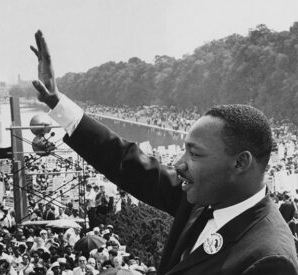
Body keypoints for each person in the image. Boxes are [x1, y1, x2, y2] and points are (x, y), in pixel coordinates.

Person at [29, 30, 298, 274]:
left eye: (195, 154)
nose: (179, 164)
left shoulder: (270, 259)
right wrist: (57, 102)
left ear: (240, 163)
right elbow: (126, 161)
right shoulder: (202, 197)